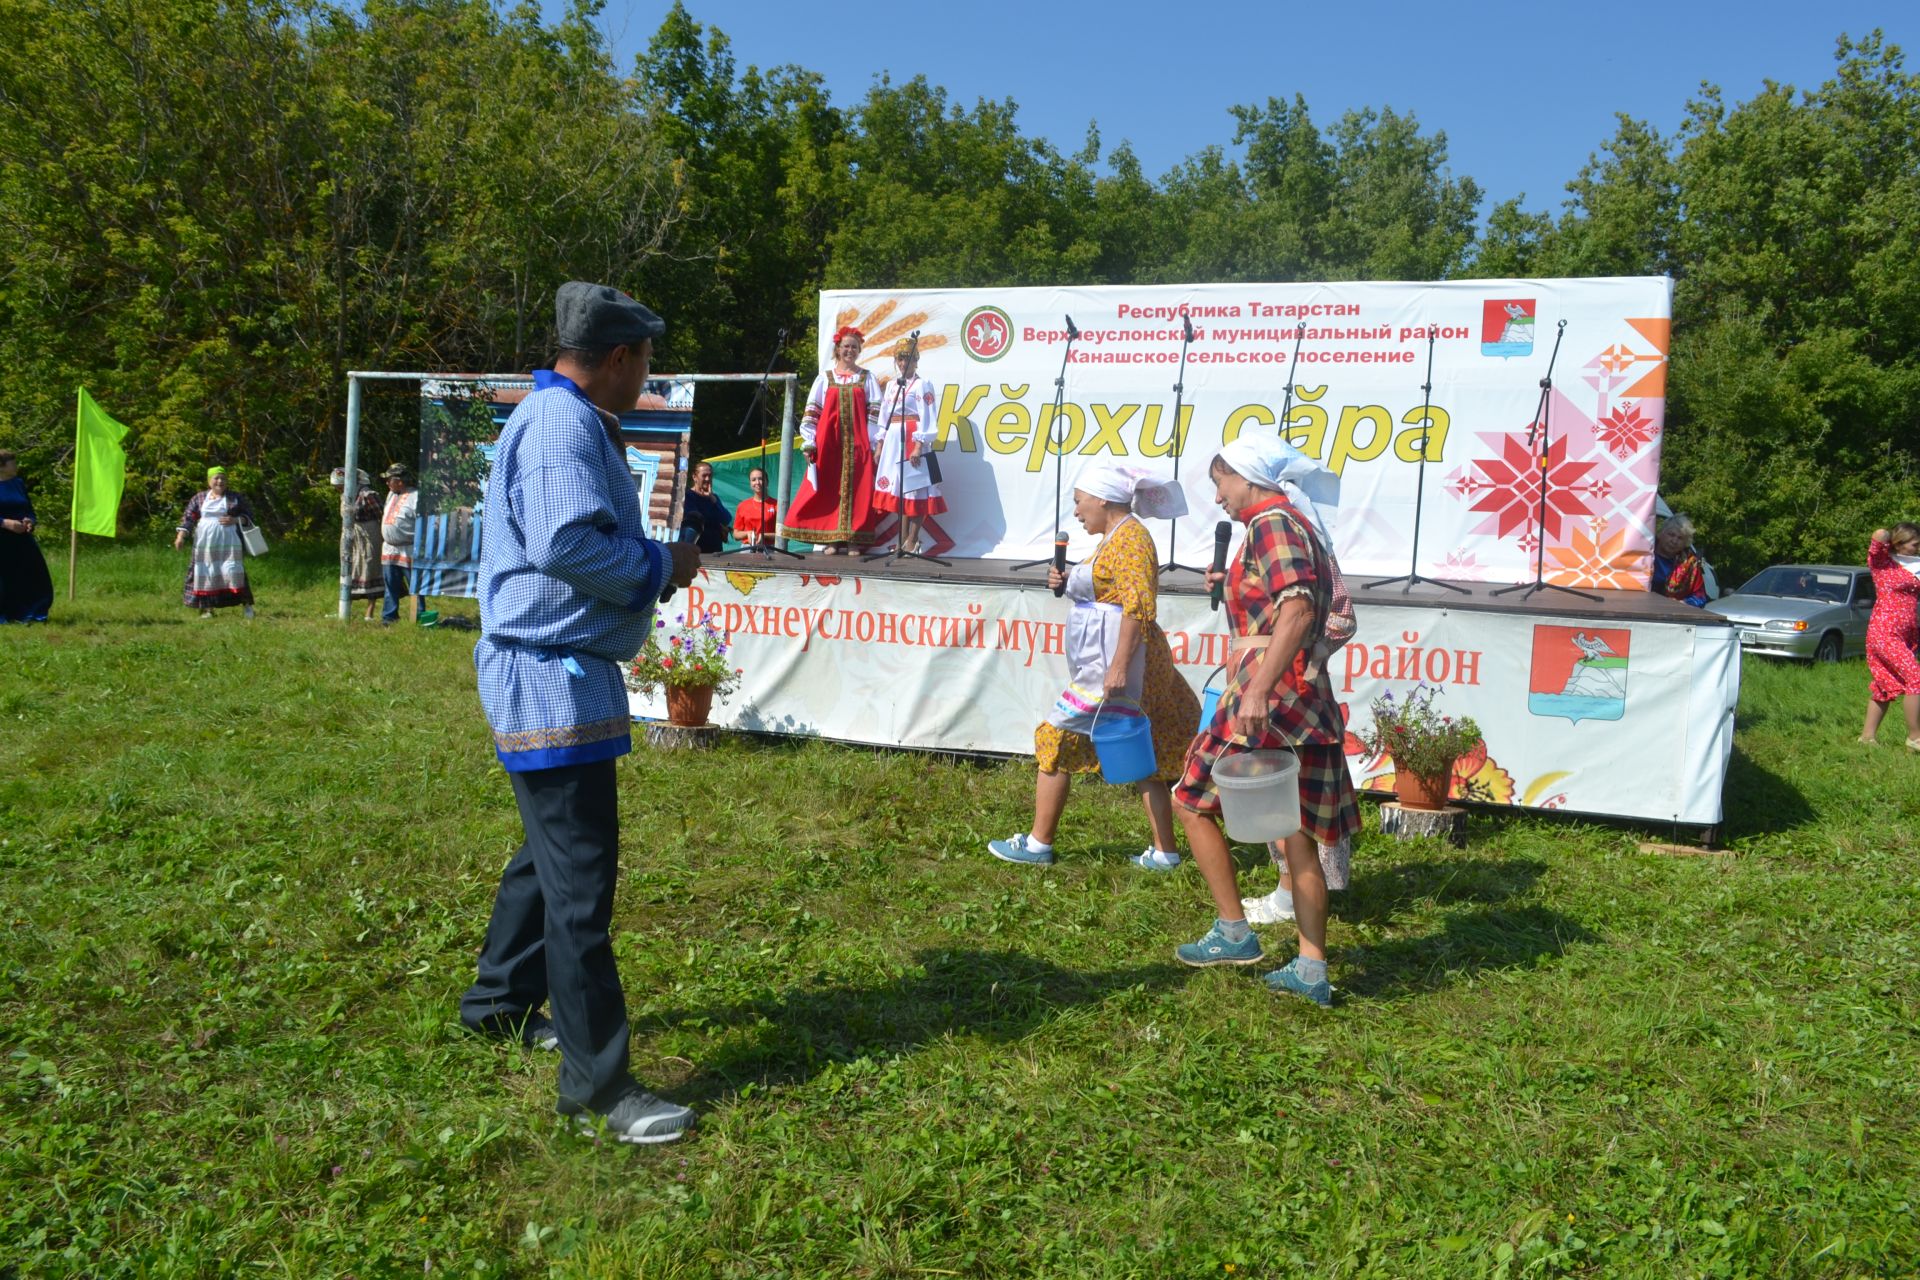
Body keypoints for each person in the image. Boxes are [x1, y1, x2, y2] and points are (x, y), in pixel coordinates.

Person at [459, 280, 702, 1146]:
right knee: (579, 889)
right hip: (548, 676)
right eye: (645, 364)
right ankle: (599, 1089)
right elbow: (566, 542)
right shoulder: (563, 424)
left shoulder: (553, 415)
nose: (647, 381)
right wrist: (661, 563)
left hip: (556, 671)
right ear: (618, 358)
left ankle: (498, 1003)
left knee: (547, 853)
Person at [1170, 436, 1361, 1008]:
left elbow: (1298, 609)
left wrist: (1256, 689)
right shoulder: (1291, 522)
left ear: (1245, 476)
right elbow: (1281, 601)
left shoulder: (1271, 523)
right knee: (1295, 832)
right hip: (1300, 694)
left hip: (1270, 696)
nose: (1219, 498)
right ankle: (1310, 967)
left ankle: (1234, 932)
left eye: (1221, 483)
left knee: (1191, 799)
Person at [989, 464, 1200, 871]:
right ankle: (1165, 851)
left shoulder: (1132, 539)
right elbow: (1109, 589)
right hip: (1115, 663)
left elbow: (1137, 605)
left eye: (1079, 500)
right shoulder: (1117, 538)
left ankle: (1037, 844)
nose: (1077, 511)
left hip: (1121, 666)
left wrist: (1119, 668)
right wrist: (1067, 580)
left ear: (1103, 498)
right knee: (1143, 748)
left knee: (1056, 736)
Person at [778, 325, 881, 554]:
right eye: (846, 346)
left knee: (858, 489)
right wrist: (809, 441)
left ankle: (854, 539)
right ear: (838, 348)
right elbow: (812, 411)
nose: (850, 350)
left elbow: (875, 411)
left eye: (854, 347)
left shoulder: (866, 377)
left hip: (858, 442)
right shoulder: (825, 378)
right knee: (829, 488)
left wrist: (874, 442)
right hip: (829, 443)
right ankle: (832, 539)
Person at [872, 340, 945, 553]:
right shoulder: (892, 386)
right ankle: (901, 542)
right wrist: (879, 445)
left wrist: (918, 445)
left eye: (909, 358)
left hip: (912, 439)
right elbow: (884, 418)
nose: (904, 363)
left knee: (916, 489)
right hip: (893, 441)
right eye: (901, 358)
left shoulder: (923, 385)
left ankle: (912, 540)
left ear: (916, 361)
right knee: (900, 491)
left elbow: (928, 416)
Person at [1859, 523, 1920, 751]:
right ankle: (1915, 737)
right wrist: (1890, 535)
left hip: (1905, 634)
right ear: (1901, 542)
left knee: (1883, 685)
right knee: (1916, 677)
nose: (1917, 548)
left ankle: (1867, 737)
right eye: (1915, 544)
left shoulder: (1915, 567)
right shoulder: (1883, 563)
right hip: (1885, 632)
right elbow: (1879, 536)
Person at [173, 466, 256, 619]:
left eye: (223, 478)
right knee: (206, 572)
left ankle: (247, 607)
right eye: (216, 478)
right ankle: (208, 609)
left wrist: (235, 519)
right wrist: (181, 536)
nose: (220, 481)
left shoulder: (234, 498)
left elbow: (249, 516)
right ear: (209, 481)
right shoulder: (199, 498)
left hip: (229, 543)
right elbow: (188, 518)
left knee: (233, 572)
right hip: (205, 544)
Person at [0, 450, 53, 624]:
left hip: (22, 539)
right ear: (2, 466)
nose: (16, 466)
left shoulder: (18, 483)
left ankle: (33, 611)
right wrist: (5, 523)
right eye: (12, 463)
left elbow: (28, 509)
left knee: (34, 575)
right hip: (2, 539)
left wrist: (30, 521)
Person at [332, 468, 383, 620]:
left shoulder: (367, 495)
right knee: (349, 569)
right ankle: (345, 609)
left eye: (340, 486)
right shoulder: (345, 497)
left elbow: (382, 515)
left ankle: (370, 612)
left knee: (369, 570)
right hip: (351, 537)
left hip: (368, 536)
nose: (338, 489)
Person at [379, 464, 424, 625]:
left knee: (414, 584)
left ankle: (419, 616)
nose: (387, 483)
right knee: (390, 584)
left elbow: (424, 522)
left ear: (400, 481)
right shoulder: (391, 495)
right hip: (389, 548)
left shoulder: (415, 497)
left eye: (389, 479)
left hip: (408, 548)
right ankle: (389, 617)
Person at [1650, 514, 1708, 606]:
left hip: (1672, 612)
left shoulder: (1690, 564)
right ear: (1661, 533)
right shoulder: (1645, 552)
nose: (1674, 541)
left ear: (1686, 543)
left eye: (1680, 538)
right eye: (1671, 535)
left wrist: (1684, 603)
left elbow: (1700, 596)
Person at [681, 461, 730, 553]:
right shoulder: (688, 496)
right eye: (704, 475)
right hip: (695, 550)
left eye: (710, 475)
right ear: (694, 477)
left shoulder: (713, 498)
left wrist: (713, 500)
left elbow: (726, 519)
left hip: (715, 550)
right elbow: (697, 518)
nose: (708, 479)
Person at [732, 466, 778, 546]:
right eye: (753, 480)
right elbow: (735, 534)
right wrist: (748, 533)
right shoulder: (742, 505)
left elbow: (784, 536)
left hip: (770, 548)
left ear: (767, 482)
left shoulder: (777, 505)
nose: (757, 482)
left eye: (760, 479)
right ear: (750, 484)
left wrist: (764, 536)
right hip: (747, 548)